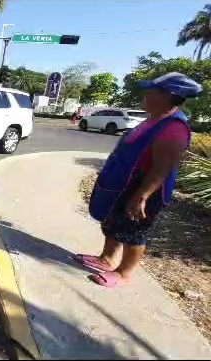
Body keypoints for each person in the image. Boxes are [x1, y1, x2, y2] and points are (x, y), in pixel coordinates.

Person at [77, 72, 202, 288]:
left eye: (151, 90)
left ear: (167, 96)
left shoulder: (174, 128)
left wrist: (142, 196)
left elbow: (162, 169)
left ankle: (124, 273)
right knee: (113, 223)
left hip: (145, 189)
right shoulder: (153, 119)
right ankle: (106, 258)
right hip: (125, 184)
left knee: (134, 230)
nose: (146, 94)